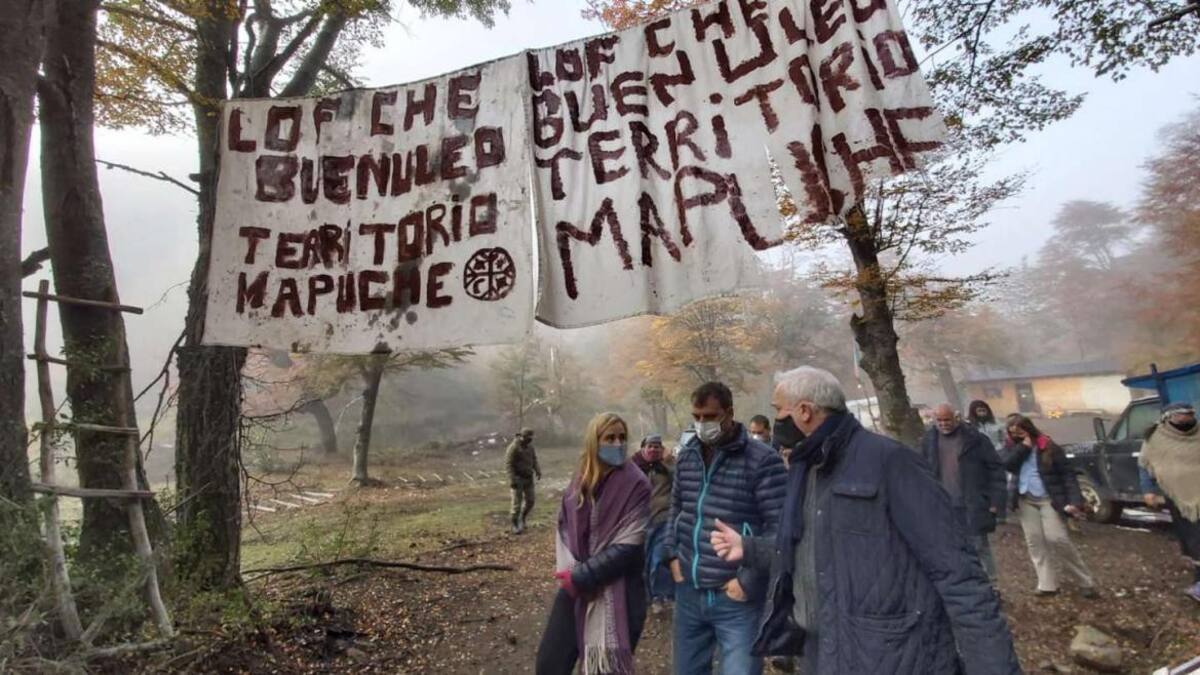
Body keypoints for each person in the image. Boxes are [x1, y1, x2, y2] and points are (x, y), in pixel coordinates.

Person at [710, 366, 1019, 675]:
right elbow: (812, 547)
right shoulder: (807, 468)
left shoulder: (891, 462)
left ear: (804, 411)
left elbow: (958, 573)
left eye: (779, 411)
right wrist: (749, 548)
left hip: (892, 658)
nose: (775, 420)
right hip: (825, 652)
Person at [666, 382, 787, 675]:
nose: (702, 424)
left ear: (729, 413)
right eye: (696, 416)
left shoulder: (762, 460)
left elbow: (780, 531)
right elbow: (676, 509)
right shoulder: (688, 457)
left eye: (709, 416)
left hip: (736, 600)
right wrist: (672, 556)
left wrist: (748, 581)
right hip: (689, 595)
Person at [536, 413, 651, 675]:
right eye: (609, 438)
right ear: (593, 442)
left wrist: (580, 577)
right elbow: (564, 524)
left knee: (605, 668)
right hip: (574, 584)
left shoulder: (637, 485)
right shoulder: (581, 480)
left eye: (622, 437)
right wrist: (570, 572)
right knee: (549, 663)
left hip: (620, 591)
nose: (618, 443)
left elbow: (629, 546)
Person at [1002, 415, 1099, 598]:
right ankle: (1047, 584)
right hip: (1024, 498)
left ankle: (1084, 580)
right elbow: (1006, 465)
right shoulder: (1011, 448)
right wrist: (1023, 448)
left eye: (1021, 432)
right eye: (1013, 434)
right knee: (1035, 541)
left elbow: (1067, 474)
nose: (1018, 436)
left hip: (1049, 499)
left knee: (1057, 539)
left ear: (1029, 429)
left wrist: (1075, 500)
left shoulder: (1048, 446)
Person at [920, 404, 1007, 583]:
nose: (944, 424)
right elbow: (923, 471)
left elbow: (996, 470)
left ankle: (991, 584)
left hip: (973, 502)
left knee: (979, 546)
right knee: (952, 547)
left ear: (956, 418)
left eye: (947, 420)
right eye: (940, 420)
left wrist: (995, 500)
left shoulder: (975, 439)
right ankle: (969, 584)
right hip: (943, 505)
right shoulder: (929, 440)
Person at [1138, 402, 1200, 603]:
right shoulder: (1155, 439)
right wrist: (1148, 490)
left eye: (1190, 414)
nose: (1187, 418)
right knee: (1193, 539)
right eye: (1181, 415)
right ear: (1168, 418)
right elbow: (1145, 465)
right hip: (1179, 499)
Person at [633, 434, 675, 607]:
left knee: (660, 557)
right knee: (646, 559)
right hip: (640, 522)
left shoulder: (668, 466)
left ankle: (663, 595)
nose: (653, 449)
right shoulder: (633, 467)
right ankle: (651, 595)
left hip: (663, 518)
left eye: (657, 446)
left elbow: (682, 481)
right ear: (643, 448)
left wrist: (668, 462)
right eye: (650, 446)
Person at [505, 428, 541, 535]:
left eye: (531, 437)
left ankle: (522, 518)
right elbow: (508, 465)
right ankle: (514, 523)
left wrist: (538, 470)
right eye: (528, 437)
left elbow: (534, 459)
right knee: (516, 504)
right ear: (522, 437)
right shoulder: (513, 448)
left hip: (528, 478)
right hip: (518, 479)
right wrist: (512, 479)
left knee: (531, 501)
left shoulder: (530, 447)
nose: (530, 440)